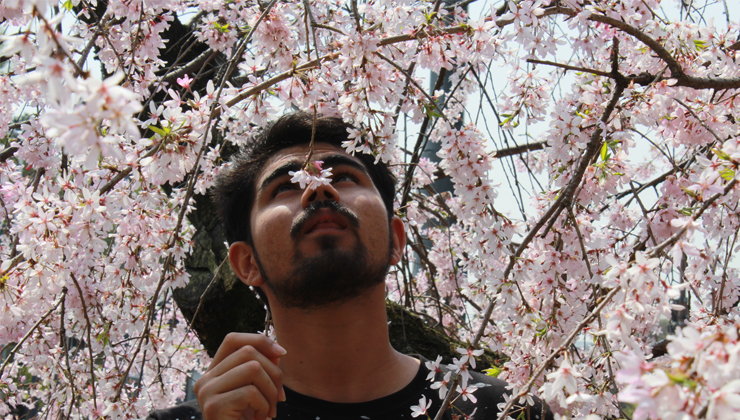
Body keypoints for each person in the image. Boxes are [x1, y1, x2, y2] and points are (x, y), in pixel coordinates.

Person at [147, 112, 552, 420]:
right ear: (247, 262)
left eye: (342, 177)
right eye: (286, 187)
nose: (317, 187)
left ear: (396, 240)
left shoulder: (506, 410)